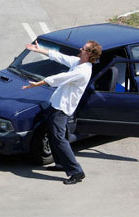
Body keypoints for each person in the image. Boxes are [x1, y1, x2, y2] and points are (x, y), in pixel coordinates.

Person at [22, 40, 102, 185]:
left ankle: (76, 172)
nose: (80, 48)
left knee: (59, 139)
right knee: (56, 136)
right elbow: (59, 56)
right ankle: (60, 164)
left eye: (83, 48)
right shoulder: (78, 62)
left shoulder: (82, 71)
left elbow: (60, 78)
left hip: (61, 108)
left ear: (89, 53)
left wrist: (38, 83)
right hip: (57, 104)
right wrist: (39, 50)